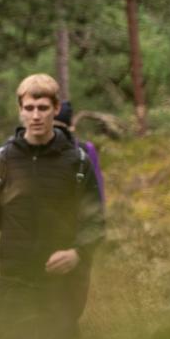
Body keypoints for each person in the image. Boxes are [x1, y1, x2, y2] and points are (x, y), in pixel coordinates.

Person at [0, 74, 104, 339]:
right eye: (29, 108)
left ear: (56, 109)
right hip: (14, 287)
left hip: (60, 290)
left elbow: (95, 221)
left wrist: (78, 252)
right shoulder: (1, 161)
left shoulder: (77, 161)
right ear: (20, 110)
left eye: (43, 107)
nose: (36, 115)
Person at [53, 101, 105, 323]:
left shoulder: (85, 151)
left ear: (70, 127)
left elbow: (97, 194)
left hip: (79, 231)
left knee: (75, 293)